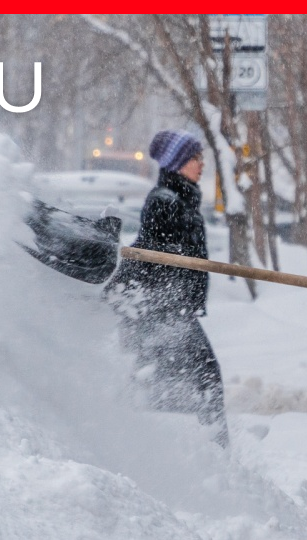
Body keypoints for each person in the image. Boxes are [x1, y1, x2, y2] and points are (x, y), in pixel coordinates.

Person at [106, 130, 228, 448]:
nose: (201, 164)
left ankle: (196, 452)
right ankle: (207, 453)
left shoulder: (182, 198)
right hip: (160, 312)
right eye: (194, 158)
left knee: (182, 384)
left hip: (170, 311)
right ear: (176, 163)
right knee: (201, 381)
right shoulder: (164, 200)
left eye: (201, 157)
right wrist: (180, 266)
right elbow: (155, 252)